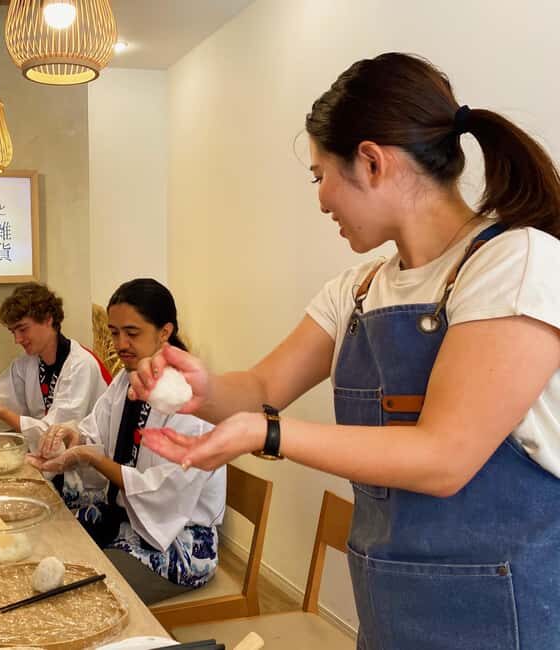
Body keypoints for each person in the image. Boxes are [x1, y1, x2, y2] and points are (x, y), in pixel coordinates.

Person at [132, 53, 560, 649]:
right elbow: (260, 389)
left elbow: (443, 457)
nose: (321, 198)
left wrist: (268, 434)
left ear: (371, 161)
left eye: (319, 175)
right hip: (389, 607)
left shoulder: (515, 263)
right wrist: (201, 388)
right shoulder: (357, 290)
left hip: (503, 619)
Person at [28, 279, 226, 605]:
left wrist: (90, 458)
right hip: (127, 520)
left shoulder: (189, 399)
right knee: (49, 537)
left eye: (132, 333)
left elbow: (163, 491)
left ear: (164, 332)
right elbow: (95, 433)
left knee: (81, 595)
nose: (121, 344)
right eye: (115, 332)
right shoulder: (126, 379)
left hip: (178, 542)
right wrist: (71, 436)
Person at [0, 282, 111, 450]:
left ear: (48, 319)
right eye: (13, 332)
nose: (17, 340)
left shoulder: (80, 365)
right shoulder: (26, 363)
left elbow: (55, 434)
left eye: (23, 329)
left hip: (83, 467)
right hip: (48, 461)